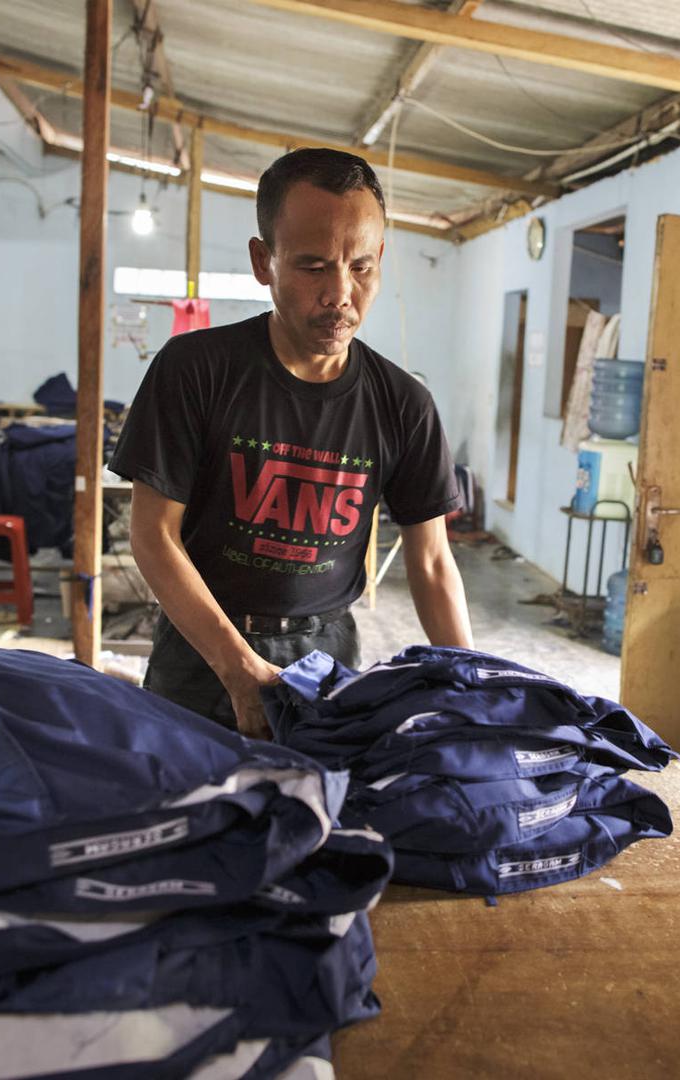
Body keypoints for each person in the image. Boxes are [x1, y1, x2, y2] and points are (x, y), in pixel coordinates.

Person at [110, 147, 472, 737]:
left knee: (315, 821)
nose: (340, 294)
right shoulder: (196, 369)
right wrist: (237, 668)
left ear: (380, 257)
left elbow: (431, 561)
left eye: (360, 266)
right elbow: (152, 534)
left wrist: (475, 687)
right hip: (202, 647)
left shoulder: (403, 403)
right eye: (312, 267)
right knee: (183, 817)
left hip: (326, 655)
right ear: (264, 261)